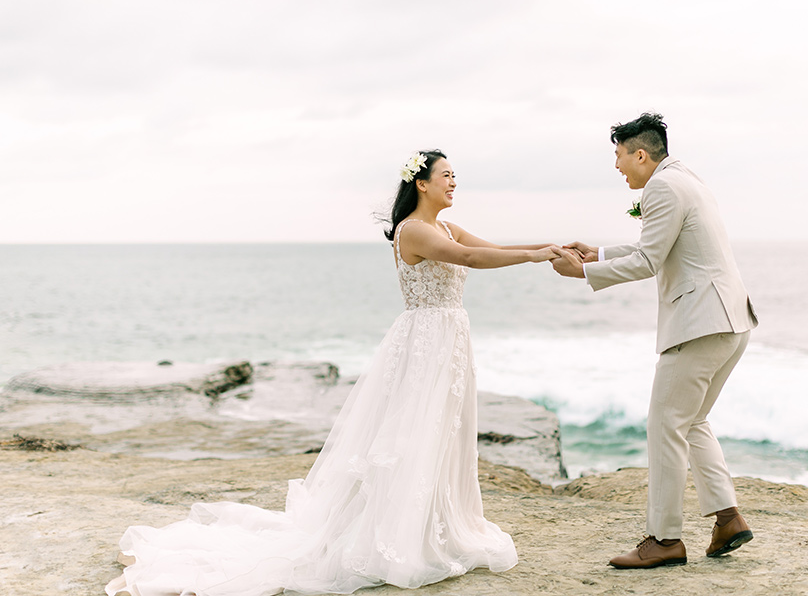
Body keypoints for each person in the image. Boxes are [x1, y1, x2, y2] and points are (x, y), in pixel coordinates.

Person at [106, 149, 559, 596]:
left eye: (455, 175)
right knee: (411, 434)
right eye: (446, 174)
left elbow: (493, 249)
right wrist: (539, 259)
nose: (453, 181)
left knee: (443, 432)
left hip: (449, 341)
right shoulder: (414, 231)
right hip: (426, 344)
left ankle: (435, 525)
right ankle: (393, 533)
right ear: (422, 183)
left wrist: (550, 248)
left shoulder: (444, 226)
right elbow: (472, 260)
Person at [551, 113, 758, 569]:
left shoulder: (661, 187)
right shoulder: (686, 178)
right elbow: (659, 246)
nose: (618, 167)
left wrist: (583, 270)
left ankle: (664, 540)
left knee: (664, 424)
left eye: (619, 157)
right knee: (693, 419)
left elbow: (648, 261)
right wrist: (599, 253)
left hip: (700, 323)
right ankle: (727, 518)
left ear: (640, 154)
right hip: (731, 320)